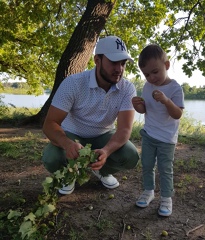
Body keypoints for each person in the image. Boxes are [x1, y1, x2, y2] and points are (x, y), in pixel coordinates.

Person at [42, 35, 139, 195]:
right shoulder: (73, 83)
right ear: (97, 60)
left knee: (130, 156)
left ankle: (102, 170)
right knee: (51, 158)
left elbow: (124, 130)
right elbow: (50, 124)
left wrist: (107, 151)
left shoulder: (127, 89)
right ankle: (70, 174)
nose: (119, 69)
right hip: (73, 134)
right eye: (114, 62)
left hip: (104, 135)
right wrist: (67, 144)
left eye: (123, 63)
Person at [132, 44, 184, 216]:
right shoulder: (147, 87)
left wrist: (167, 101)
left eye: (155, 72)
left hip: (167, 139)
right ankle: (148, 192)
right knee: (147, 165)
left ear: (166, 66)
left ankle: (166, 199)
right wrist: (138, 105)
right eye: (146, 74)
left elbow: (177, 114)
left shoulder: (175, 88)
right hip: (149, 134)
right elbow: (145, 110)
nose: (151, 78)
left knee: (165, 169)